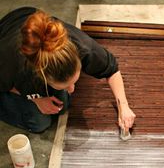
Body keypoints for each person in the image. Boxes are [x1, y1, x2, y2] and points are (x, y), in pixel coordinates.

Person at [0, 7, 136, 133]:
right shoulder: (13, 64)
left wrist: (123, 106)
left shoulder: (83, 47)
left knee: (63, 104)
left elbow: (112, 70)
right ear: (40, 74)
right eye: (66, 85)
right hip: (5, 38)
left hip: (30, 21)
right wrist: (35, 99)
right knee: (39, 123)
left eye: (73, 81)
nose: (72, 90)